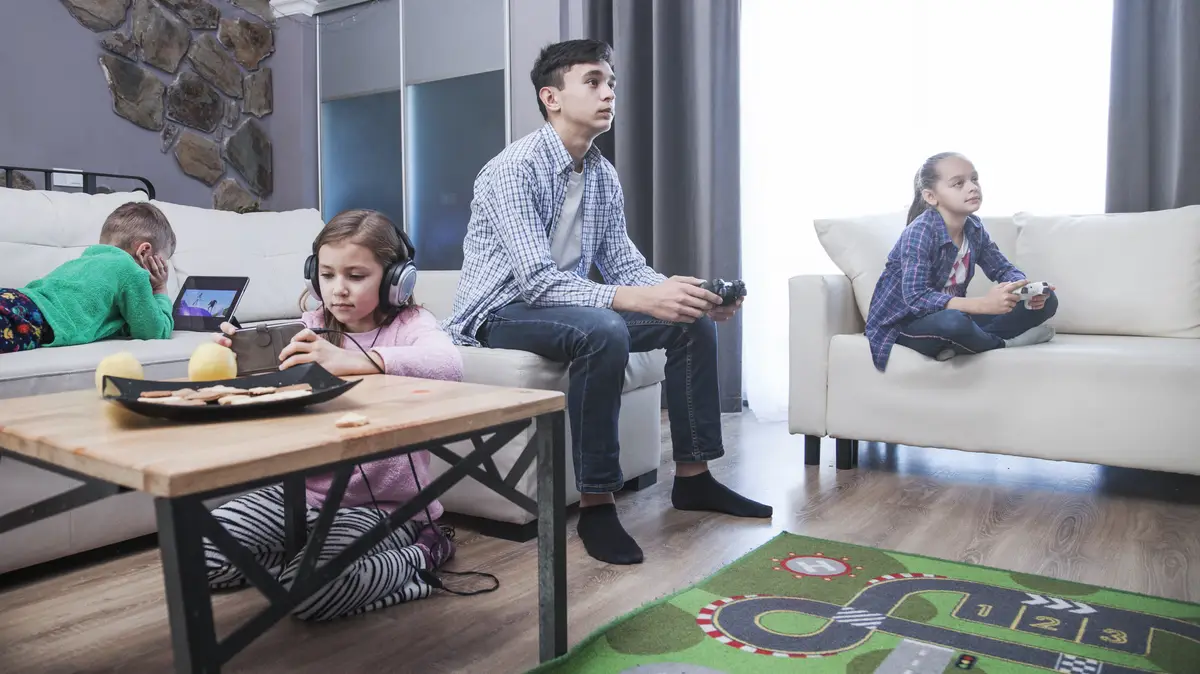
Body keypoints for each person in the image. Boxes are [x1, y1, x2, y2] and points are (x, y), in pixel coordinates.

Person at [441, 39, 772, 567]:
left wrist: (685, 298)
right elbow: (536, 283)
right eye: (593, 82)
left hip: (563, 308)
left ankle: (694, 479)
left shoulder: (600, 173)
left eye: (611, 83)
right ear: (551, 97)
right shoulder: (512, 169)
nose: (609, 93)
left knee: (690, 326)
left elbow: (624, 265)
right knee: (604, 329)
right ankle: (597, 503)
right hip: (498, 312)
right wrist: (637, 299)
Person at [206, 209, 465, 621]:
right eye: (326, 275)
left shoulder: (411, 325)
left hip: (383, 507)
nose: (338, 290)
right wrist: (234, 360)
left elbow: (448, 364)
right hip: (299, 496)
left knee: (308, 595)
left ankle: (423, 554)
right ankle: (302, 569)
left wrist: (357, 360)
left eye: (356, 276)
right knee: (193, 555)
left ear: (396, 279)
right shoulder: (309, 326)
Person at [865, 152, 1058, 372]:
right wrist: (983, 305)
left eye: (974, 179)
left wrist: (1023, 290)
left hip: (953, 316)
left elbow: (1002, 269)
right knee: (953, 323)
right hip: (905, 325)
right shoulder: (920, 232)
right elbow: (916, 298)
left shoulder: (974, 228)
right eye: (958, 183)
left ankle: (964, 344)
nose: (972, 187)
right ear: (931, 196)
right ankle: (1003, 343)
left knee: (1049, 301)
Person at [0, 201, 174, 353]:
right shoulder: (130, 270)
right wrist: (160, 289)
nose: (162, 270)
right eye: (162, 262)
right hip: (30, 317)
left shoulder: (87, 261)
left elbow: (114, 323)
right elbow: (154, 332)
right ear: (144, 251)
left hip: (17, 299)